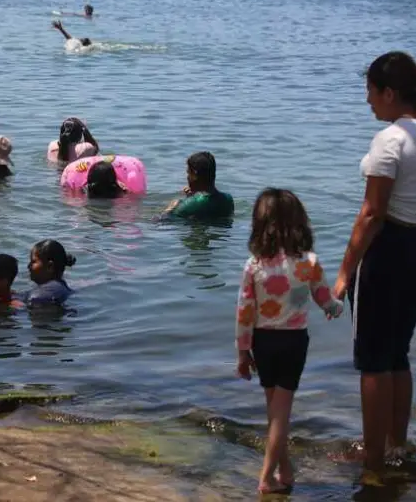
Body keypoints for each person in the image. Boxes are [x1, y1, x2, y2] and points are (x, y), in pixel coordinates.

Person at [332, 51, 416, 485]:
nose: (367, 101)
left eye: (370, 92)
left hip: (389, 250)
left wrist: (345, 272)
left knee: (372, 361)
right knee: (398, 352)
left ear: (389, 93)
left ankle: (374, 460)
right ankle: (398, 446)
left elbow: (372, 213)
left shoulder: (391, 139)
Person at [234, 188, 343, 495]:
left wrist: (242, 353)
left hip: (262, 342)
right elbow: (324, 299)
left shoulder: (254, 265)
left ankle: (285, 469)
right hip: (293, 342)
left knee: (274, 410)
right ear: (300, 223)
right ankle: (267, 478)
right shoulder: (308, 262)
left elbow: (244, 312)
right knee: (281, 413)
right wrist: (337, 307)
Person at [162, 151, 234, 220]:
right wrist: (192, 197)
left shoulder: (189, 204)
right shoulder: (228, 200)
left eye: (188, 173)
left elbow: (161, 221)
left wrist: (170, 209)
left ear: (194, 175)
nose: (187, 177)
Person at [26, 240, 75, 306]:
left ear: (50, 266)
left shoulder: (39, 295)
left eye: (33, 262)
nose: (28, 266)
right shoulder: (60, 287)